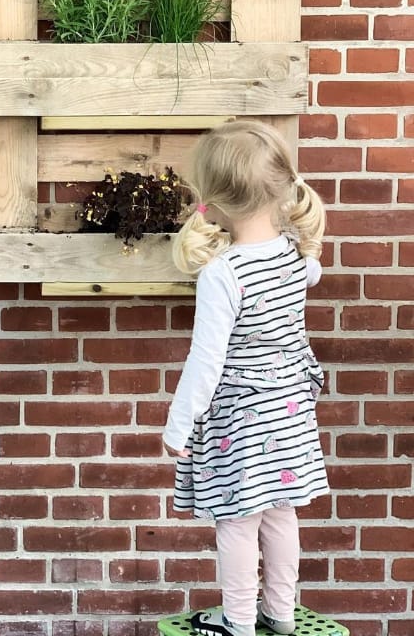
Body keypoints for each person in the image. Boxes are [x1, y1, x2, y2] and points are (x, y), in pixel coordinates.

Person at [162, 120, 329, 636]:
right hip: (292, 410)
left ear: (215, 199)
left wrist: (178, 424)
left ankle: (237, 621)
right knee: (281, 513)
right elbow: (313, 275)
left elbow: (206, 360)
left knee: (237, 522)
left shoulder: (223, 273)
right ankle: (279, 612)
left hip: (241, 417)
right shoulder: (297, 255)